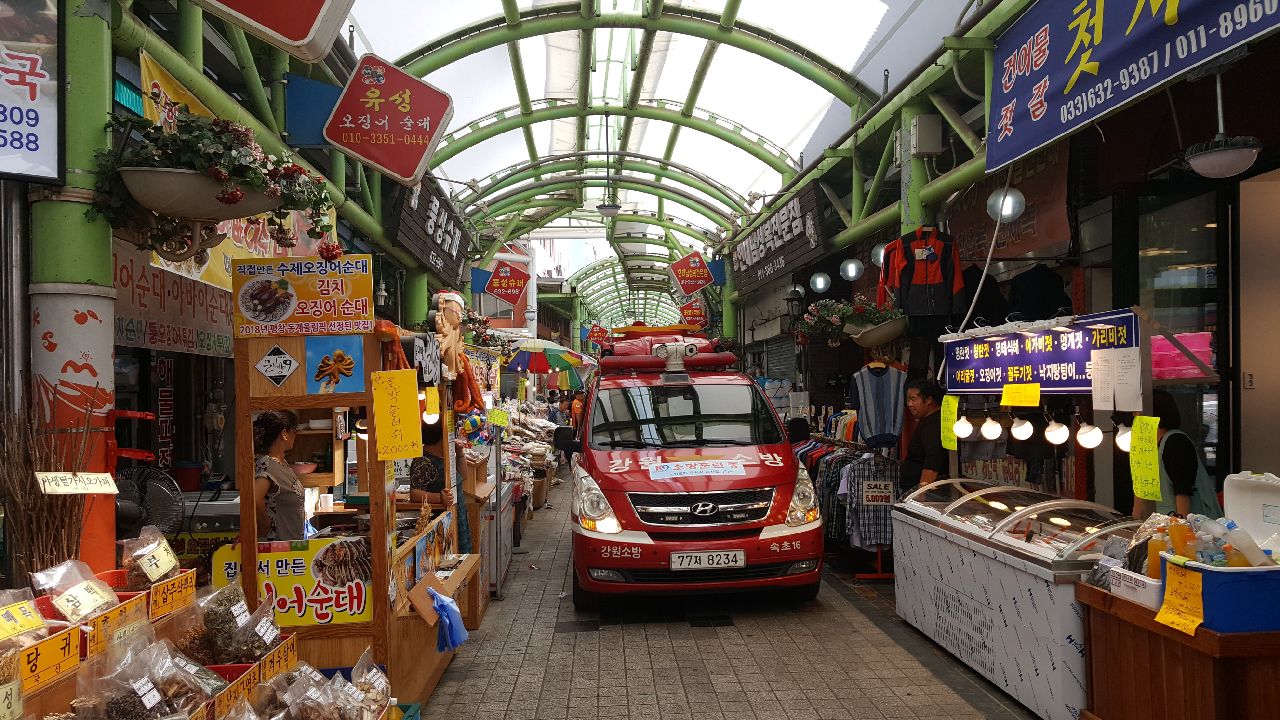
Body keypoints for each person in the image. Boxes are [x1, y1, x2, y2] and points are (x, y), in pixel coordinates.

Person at [1144, 390, 1222, 518]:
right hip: (1164, 521)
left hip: (1190, 524)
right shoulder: (1150, 444)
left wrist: (1181, 526)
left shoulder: (1176, 442)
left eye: (1138, 412)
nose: (1134, 416)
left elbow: (1183, 492)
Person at [247, 410, 306, 540]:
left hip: (291, 546)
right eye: (295, 431)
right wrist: (265, 525)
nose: (296, 435)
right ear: (284, 434)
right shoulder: (267, 465)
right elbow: (254, 498)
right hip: (276, 547)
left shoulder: (282, 463)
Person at [901, 379, 949, 493]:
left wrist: (920, 496)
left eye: (913, 399)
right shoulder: (927, 421)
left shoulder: (933, 425)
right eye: (908, 400)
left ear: (928, 400)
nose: (909, 404)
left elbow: (932, 465)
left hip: (927, 495)